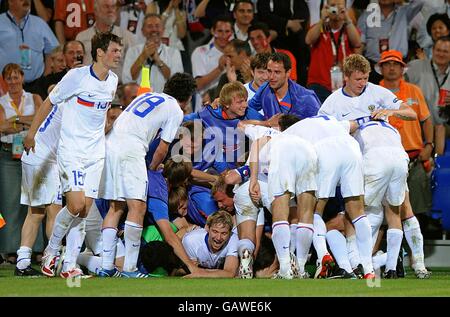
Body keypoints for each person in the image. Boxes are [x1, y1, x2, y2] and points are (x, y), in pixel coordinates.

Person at [23, 32, 123, 279]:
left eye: (119, 50)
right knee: (75, 205)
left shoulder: (113, 80)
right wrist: (32, 134)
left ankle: (69, 265)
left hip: (95, 153)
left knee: (85, 211)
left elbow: (100, 115)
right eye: (114, 50)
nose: (118, 55)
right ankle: (52, 249)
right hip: (72, 151)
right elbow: (48, 103)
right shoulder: (76, 77)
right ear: (99, 52)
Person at [99, 73, 196, 277]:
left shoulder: (146, 96)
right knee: (138, 206)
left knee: (116, 206)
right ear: (187, 98)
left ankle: (106, 267)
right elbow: (162, 149)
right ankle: (130, 269)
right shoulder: (175, 110)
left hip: (110, 145)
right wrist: (152, 168)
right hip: (131, 148)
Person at [378, 50, 432, 279]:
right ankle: (395, 259)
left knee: (413, 209)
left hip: (413, 156)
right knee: (389, 213)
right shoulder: (374, 91)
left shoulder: (414, 91)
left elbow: (426, 120)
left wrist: (429, 146)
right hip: (384, 158)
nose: (391, 68)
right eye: (387, 64)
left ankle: (413, 259)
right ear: (380, 68)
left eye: (396, 64)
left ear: (402, 68)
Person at [248, 131, 318, 279]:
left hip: (283, 154)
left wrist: (253, 179)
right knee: (305, 213)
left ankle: (285, 270)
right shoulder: (296, 134)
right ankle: (300, 268)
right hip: (308, 151)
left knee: (280, 210)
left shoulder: (263, 133)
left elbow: (255, 145)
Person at [14, 102, 63, 276]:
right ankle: (53, 259)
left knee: (35, 212)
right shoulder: (74, 104)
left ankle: (23, 261)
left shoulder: (64, 98)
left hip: (35, 155)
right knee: (54, 211)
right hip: (44, 159)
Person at [0, 63, 42, 260]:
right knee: (10, 203)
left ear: (22, 78)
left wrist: (15, 119)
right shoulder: (1, 101)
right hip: (8, 154)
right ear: (5, 81)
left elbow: (42, 118)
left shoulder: (34, 97)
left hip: (32, 152)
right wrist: (28, 121)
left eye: (16, 77)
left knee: (35, 201)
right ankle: (10, 250)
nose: (13, 82)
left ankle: (34, 248)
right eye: (9, 78)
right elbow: (1, 127)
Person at [305, 0, 361, 103]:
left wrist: (347, 19)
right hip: (319, 84)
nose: (336, 9)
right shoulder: (320, 27)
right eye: (333, 6)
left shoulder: (348, 28)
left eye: (340, 6)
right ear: (326, 8)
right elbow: (308, 40)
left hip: (345, 85)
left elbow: (357, 43)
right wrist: (322, 19)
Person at [406, 36, 450, 155]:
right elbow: (400, 89)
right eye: (438, 50)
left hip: (444, 124)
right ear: (432, 51)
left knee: (440, 128)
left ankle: (437, 165)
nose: (441, 54)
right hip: (417, 123)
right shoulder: (415, 67)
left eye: (445, 51)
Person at [0, 0, 59, 87]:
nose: (26, 1)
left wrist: (46, 75)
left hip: (36, 86)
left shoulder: (39, 23)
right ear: (11, 1)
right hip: (5, 86)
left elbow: (54, 50)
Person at [76, 0, 137, 83]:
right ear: (96, 10)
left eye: (113, 7)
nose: (110, 10)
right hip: (88, 88)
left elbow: (134, 69)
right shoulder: (82, 37)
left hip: (118, 90)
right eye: (106, 6)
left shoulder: (127, 37)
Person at [248, 52, 320, 120]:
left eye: (277, 72)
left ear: (288, 73)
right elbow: (247, 109)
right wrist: (265, 123)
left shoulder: (306, 97)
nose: (271, 77)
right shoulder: (265, 88)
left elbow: (318, 125)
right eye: (269, 71)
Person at [122, 13, 183, 92]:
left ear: (163, 30)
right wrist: (143, 56)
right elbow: (127, 79)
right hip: (140, 100)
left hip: (164, 100)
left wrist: (158, 61)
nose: (154, 29)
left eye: (157, 26)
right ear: (142, 31)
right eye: (150, 26)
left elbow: (177, 82)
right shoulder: (133, 51)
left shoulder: (174, 53)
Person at [191, 15, 233, 111]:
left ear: (232, 33)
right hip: (203, 107)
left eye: (227, 32)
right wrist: (219, 69)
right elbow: (197, 84)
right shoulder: (200, 52)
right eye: (220, 31)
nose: (223, 35)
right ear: (213, 31)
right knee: (198, 126)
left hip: (228, 108)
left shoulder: (236, 54)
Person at [182, 210, 238, 278]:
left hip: (205, 270)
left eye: (224, 233)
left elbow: (229, 273)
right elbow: (191, 272)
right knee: (181, 271)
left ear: (230, 233)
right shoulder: (191, 240)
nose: (218, 238)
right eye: (215, 231)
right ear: (208, 228)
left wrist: (201, 273)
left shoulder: (234, 239)